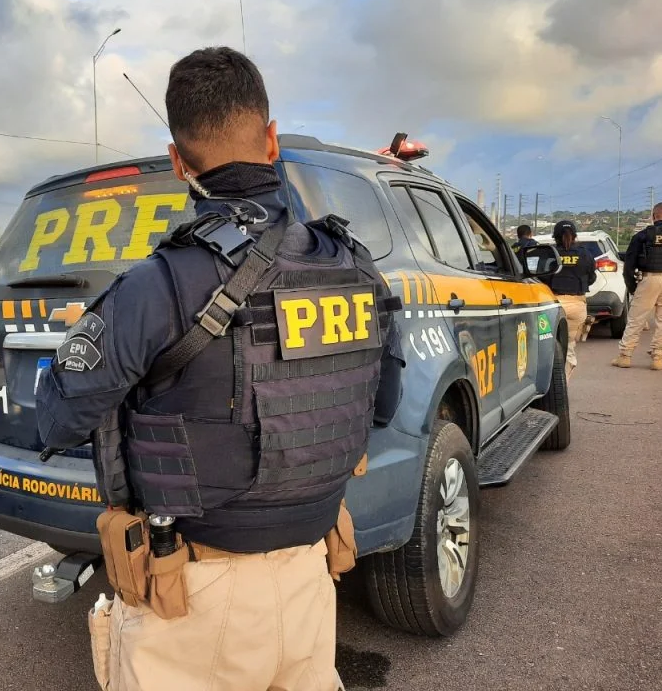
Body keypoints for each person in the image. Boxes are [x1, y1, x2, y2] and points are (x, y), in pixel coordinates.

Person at [34, 46, 404, 691]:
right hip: (312, 579)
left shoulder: (159, 283)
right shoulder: (353, 264)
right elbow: (382, 405)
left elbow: (60, 419)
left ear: (178, 161)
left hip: (192, 596)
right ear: (271, 140)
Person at [612, 202, 662, 370]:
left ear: (653, 216)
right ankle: (658, 358)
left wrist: (633, 288)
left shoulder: (642, 236)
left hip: (649, 278)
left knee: (636, 319)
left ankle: (625, 356)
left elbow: (629, 266)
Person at [542, 220, 596, 380]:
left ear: (555, 237)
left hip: (553, 304)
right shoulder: (585, 254)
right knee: (569, 347)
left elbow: (541, 277)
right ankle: (562, 383)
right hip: (577, 305)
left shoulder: (550, 254)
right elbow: (591, 278)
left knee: (548, 347)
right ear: (575, 235)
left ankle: (550, 385)